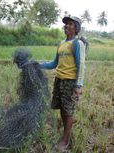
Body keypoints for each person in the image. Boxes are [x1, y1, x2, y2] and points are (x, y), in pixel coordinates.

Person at [40, 16, 86, 151]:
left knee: (68, 110)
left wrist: (78, 86)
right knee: (61, 107)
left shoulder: (78, 44)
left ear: (76, 28)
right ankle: (66, 130)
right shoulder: (61, 44)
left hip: (70, 82)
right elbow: (54, 63)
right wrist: (39, 65)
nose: (66, 26)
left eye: (70, 24)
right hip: (59, 80)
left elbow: (81, 65)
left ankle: (65, 140)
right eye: (66, 24)